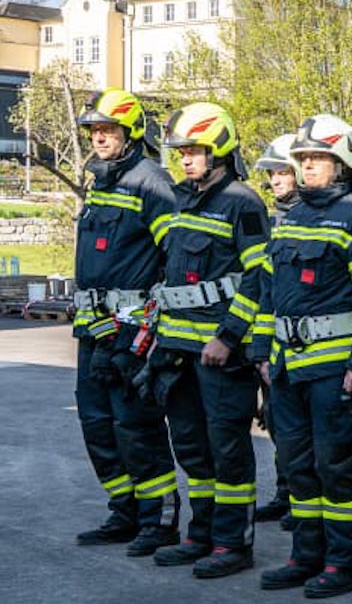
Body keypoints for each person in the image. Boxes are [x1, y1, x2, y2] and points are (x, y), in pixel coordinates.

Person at [254, 115, 352, 598]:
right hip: (288, 368)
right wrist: (263, 351)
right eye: (303, 159)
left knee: (339, 466)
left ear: (342, 163)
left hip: (334, 372)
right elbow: (269, 290)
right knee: (298, 463)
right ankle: (307, 555)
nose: (307, 168)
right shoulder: (291, 219)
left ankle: (346, 562)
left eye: (318, 159)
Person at [149, 102, 271, 578]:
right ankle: (199, 535)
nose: (185, 159)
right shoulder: (181, 200)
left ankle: (232, 544)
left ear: (219, 150)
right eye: (181, 152)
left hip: (221, 355)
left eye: (194, 151)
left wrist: (229, 336)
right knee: (193, 449)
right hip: (178, 351)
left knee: (227, 448)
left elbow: (259, 278)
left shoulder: (243, 203)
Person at [69, 89, 182, 555]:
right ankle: (125, 509)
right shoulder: (101, 183)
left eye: (108, 130)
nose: (99, 138)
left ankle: (160, 518)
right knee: (98, 422)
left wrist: (144, 330)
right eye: (94, 131)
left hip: (131, 327)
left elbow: (173, 260)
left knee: (136, 423)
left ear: (131, 133)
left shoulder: (151, 182)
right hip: (92, 326)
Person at [251, 134, 302, 526]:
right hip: (277, 344)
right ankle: (286, 493)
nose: (275, 180)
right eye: (272, 173)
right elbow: (265, 288)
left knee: (303, 434)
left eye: (282, 171)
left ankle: (301, 498)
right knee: (278, 423)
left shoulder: (310, 218)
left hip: (310, 348)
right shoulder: (276, 218)